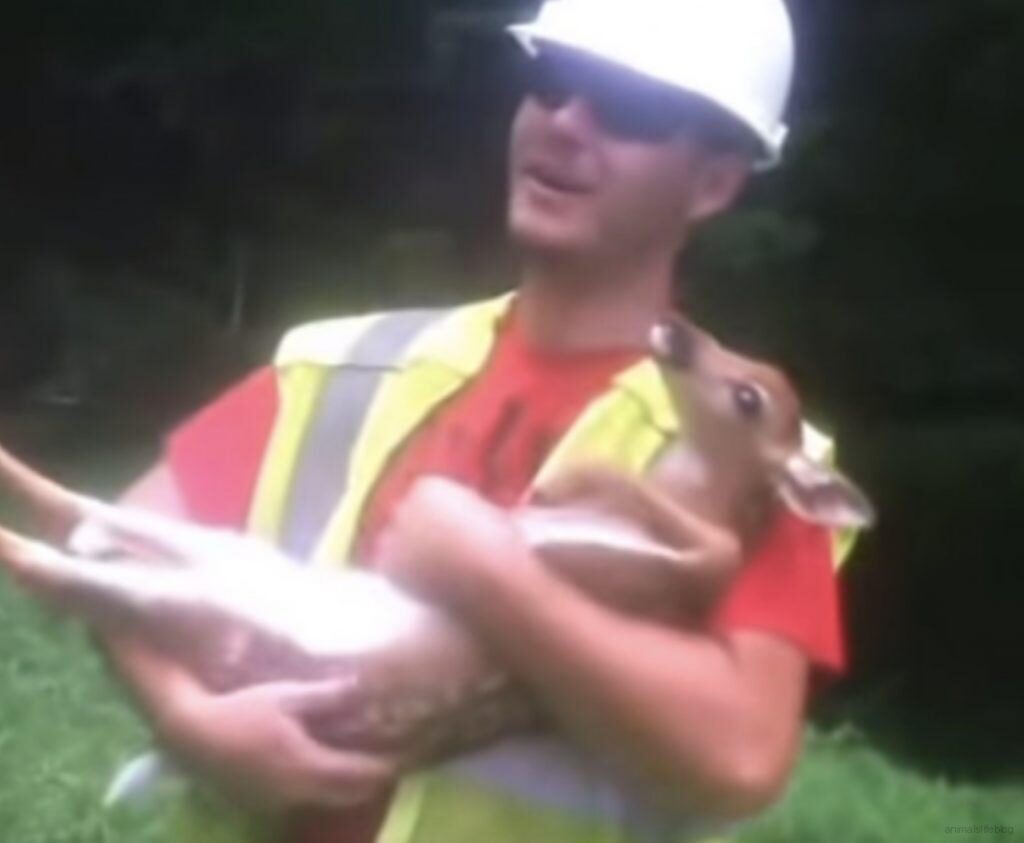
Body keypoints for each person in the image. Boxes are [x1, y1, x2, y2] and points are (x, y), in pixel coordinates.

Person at [103, 1, 854, 841]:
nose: (567, 122)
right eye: (550, 82)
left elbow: (738, 758)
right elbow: (116, 545)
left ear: (713, 182)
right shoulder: (349, 363)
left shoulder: (753, 459)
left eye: (628, 106)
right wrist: (190, 722)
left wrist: (494, 578)